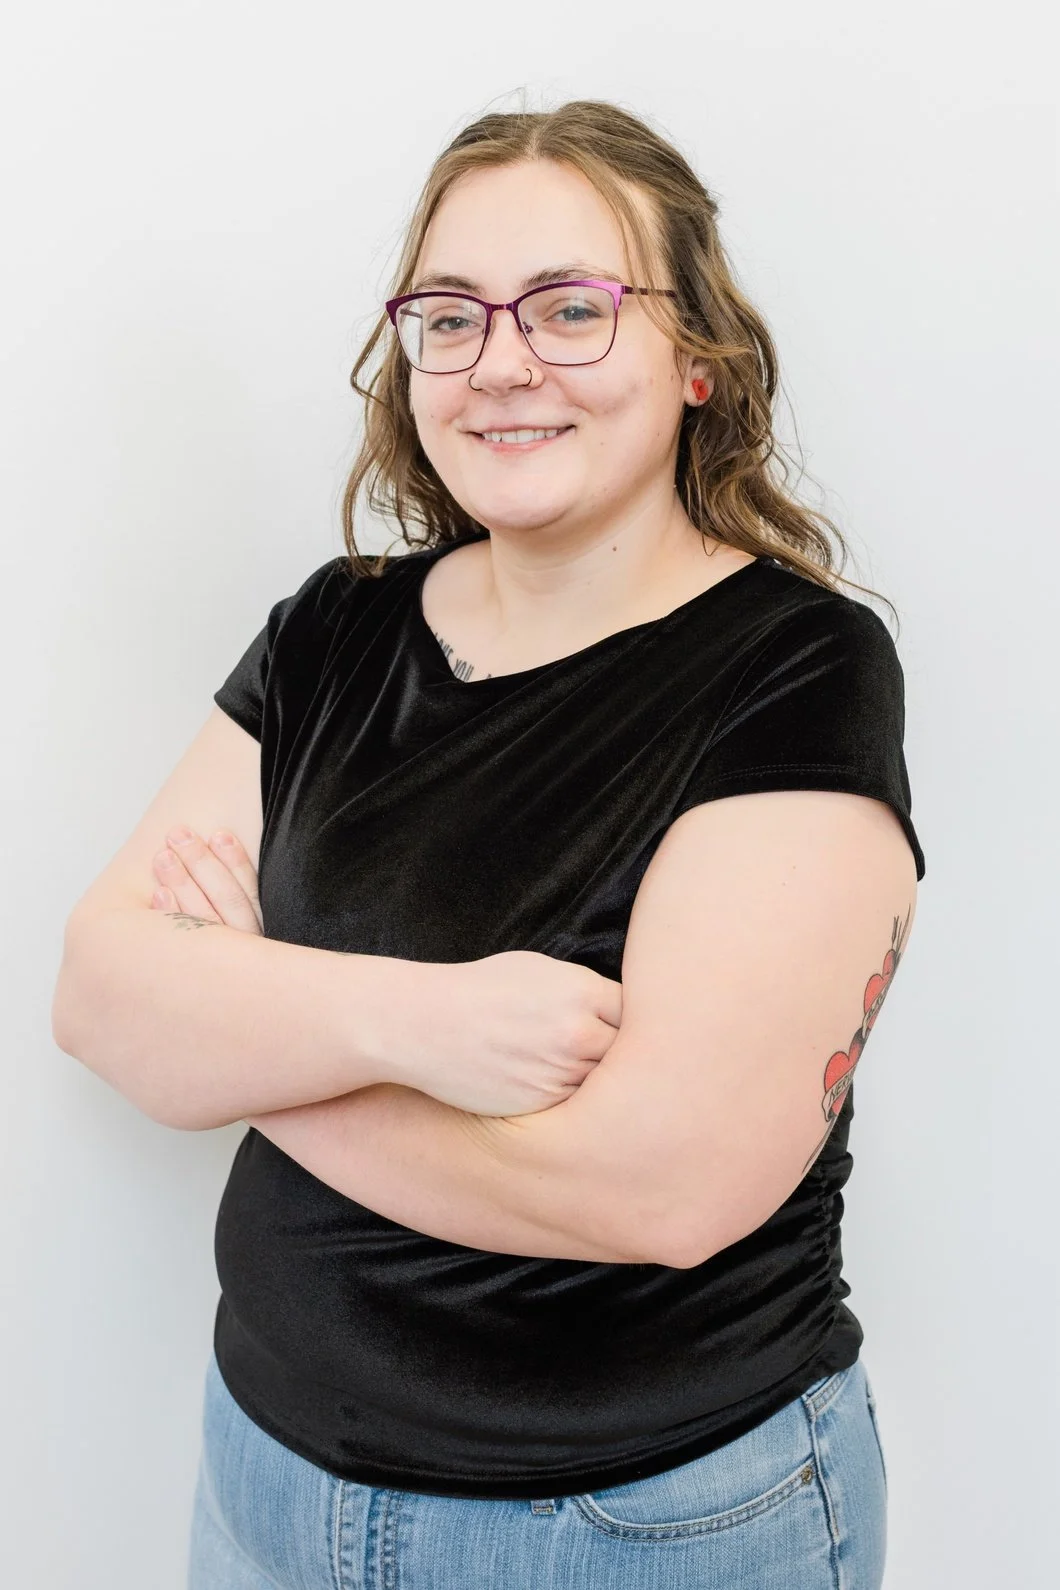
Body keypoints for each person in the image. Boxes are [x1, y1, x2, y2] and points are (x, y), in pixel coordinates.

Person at [58, 99, 924, 1589]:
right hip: (261, 1484)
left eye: (573, 308)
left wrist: (242, 1032)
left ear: (696, 354)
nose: (503, 360)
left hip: (637, 1529)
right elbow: (97, 996)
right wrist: (425, 1022)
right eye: (449, 317)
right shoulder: (335, 630)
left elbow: (658, 1185)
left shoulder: (795, 667)